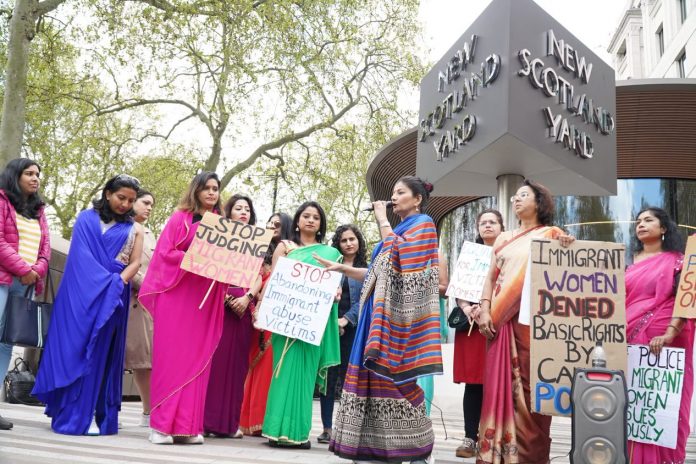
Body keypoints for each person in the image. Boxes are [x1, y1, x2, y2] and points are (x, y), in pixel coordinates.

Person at [330, 176, 442, 464]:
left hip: (396, 321)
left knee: (395, 382)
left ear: (417, 199)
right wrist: (341, 267)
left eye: (400, 192)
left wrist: (381, 217)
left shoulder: (424, 225)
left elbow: (400, 257)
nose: (393, 198)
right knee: (370, 378)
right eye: (393, 193)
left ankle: (412, 448)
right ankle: (373, 448)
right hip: (373, 316)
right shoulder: (399, 230)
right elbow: (375, 274)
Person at [33, 174, 143, 435]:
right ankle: (67, 409)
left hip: (112, 297)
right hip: (79, 296)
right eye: (121, 197)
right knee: (73, 348)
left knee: (98, 355)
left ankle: (92, 413)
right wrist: (107, 283)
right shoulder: (85, 218)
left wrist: (116, 285)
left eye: (131, 200)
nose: (126, 204)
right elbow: (80, 258)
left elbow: (135, 263)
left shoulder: (135, 228)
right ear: (107, 194)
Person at [474, 180, 574, 464]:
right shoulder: (504, 239)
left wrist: (567, 245)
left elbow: (566, 272)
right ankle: (499, 455)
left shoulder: (552, 234)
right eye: (515, 196)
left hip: (534, 329)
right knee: (499, 389)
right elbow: (490, 279)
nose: (516, 200)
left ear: (539, 202)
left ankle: (530, 457)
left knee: (532, 393)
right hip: (500, 325)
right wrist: (484, 309)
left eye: (524, 195)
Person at [138, 171, 227, 445]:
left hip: (204, 302)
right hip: (177, 296)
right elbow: (165, 253)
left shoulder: (224, 227)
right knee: (171, 360)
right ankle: (160, 426)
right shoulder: (180, 219)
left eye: (216, 188)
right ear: (196, 190)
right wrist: (196, 257)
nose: (212, 192)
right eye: (207, 188)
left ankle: (187, 427)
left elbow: (229, 262)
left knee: (197, 360)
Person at [262, 201, 342, 449]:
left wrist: (335, 292)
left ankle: (298, 433)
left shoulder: (329, 254)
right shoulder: (285, 247)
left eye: (316, 217)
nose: (310, 220)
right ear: (297, 221)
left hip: (311, 324)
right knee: (282, 373)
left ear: (321, 224)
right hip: (286, 322)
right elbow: (274, 282)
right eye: (306, 216)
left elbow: (333, 285)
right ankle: (275, 432)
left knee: (305, 380)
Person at [625, 207, 693, 463]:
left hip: (665, 346)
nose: (641, 224)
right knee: (634, 406)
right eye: (638, 221)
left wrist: (669, 333)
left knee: (659, 407)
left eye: (648, 220)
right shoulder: (628, 262)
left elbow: (684, 301)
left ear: (663, 228)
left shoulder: (678, 260)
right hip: (629, 344)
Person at [204, 194, 264, 438]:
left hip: (243, 311)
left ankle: (229, 425)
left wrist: (247, 297)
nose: (243, 212)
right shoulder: (218, 239)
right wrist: (227, 298)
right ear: (228, 213)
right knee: (214, 365)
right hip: (219, 308)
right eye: (238, 208)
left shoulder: (256, 243)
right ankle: (207, 422)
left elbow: (259, 276)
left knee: (238, 368)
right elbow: (207, 269)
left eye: (247, 209)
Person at [0, 158, 51, 431]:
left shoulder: (39, 210)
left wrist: (37, 269)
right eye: (29, 173)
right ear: (14, 175)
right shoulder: (1, 201)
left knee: (7, 342)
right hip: (4, 278)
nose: (35, 178)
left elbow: (46, 247)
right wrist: (22, 268)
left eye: (37, 174)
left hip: (27, 282)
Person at [452, 209, 504, 459]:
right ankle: (470, 437)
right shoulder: (470, 254)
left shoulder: (509, 253)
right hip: (471, 327)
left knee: (502, 382)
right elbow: (459, 290)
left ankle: (498, 437)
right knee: (474, 383)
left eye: (492, 222)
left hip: (500, 322)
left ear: (502, 226)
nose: (487, 226)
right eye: (483, 222)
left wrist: (488, 308)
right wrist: (467, 308)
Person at [313, 224, 368, 444]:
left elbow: (365, 300)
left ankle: (349, 429)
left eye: (352, 239)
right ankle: (328, 428)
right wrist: (334, 322)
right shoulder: (328, 267)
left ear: (358, 242)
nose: (348, 243)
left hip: (354, 331)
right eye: (344, 240)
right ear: (338, 243)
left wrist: (346, 320)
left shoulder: (366, 268)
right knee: (328, 377)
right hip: (330, 330)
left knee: (351, 380)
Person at [238, 212, 292, 436]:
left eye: (277, 224)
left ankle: (266, 419)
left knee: (271, 364)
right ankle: (250, 418)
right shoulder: (256, 250)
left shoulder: (290, 249)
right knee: (254, 363)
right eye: (269, 223)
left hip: (280, 311)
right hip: (253, 308)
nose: (272, 227)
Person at [125, 190, 156, 427]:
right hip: (122, 296)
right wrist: (145, 283)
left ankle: (148, 412)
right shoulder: (120, 227)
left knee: (144, 361)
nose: (149, 208)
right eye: (145, 202)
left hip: (144, 304)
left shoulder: (150, 234)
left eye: (152, 205)